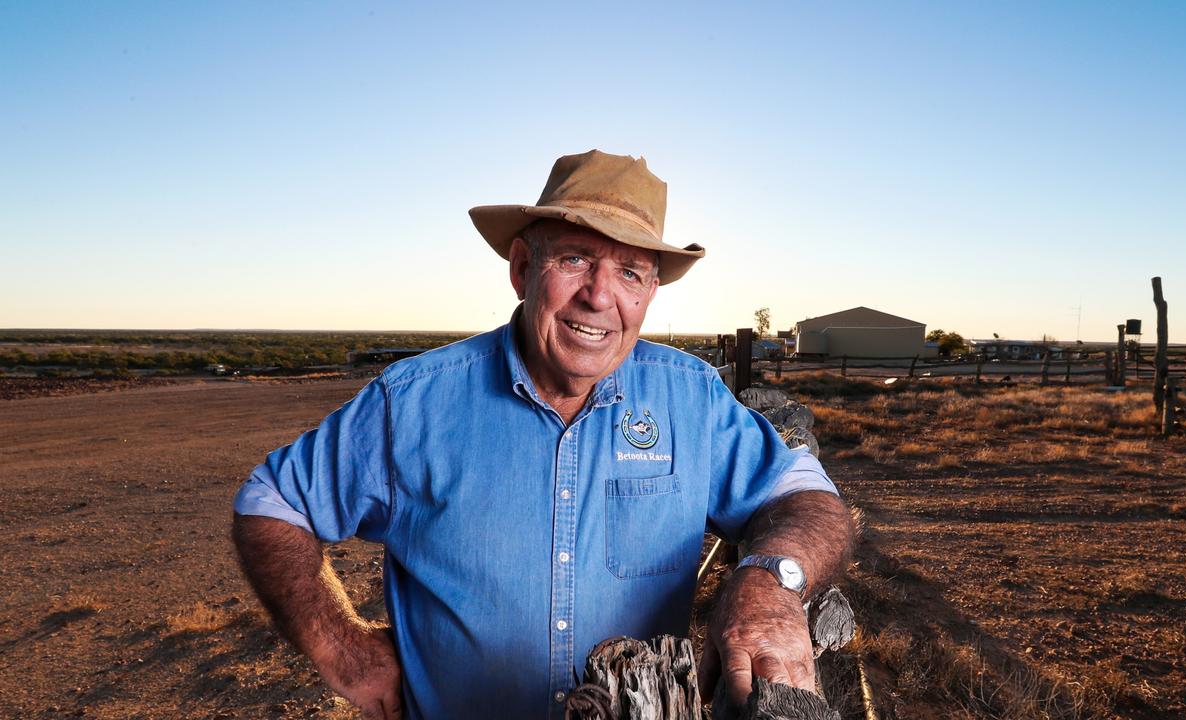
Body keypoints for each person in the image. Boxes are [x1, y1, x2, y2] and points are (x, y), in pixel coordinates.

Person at [232, 150, 855, 720]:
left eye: (631, 273)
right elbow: (272, 503)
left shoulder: (688, 398)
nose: (599, 296)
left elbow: (803, 495)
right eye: (575, 259)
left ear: (650, 293)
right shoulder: (415, 403)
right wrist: (342, 649)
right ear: (523, 267)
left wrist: (771, 580)